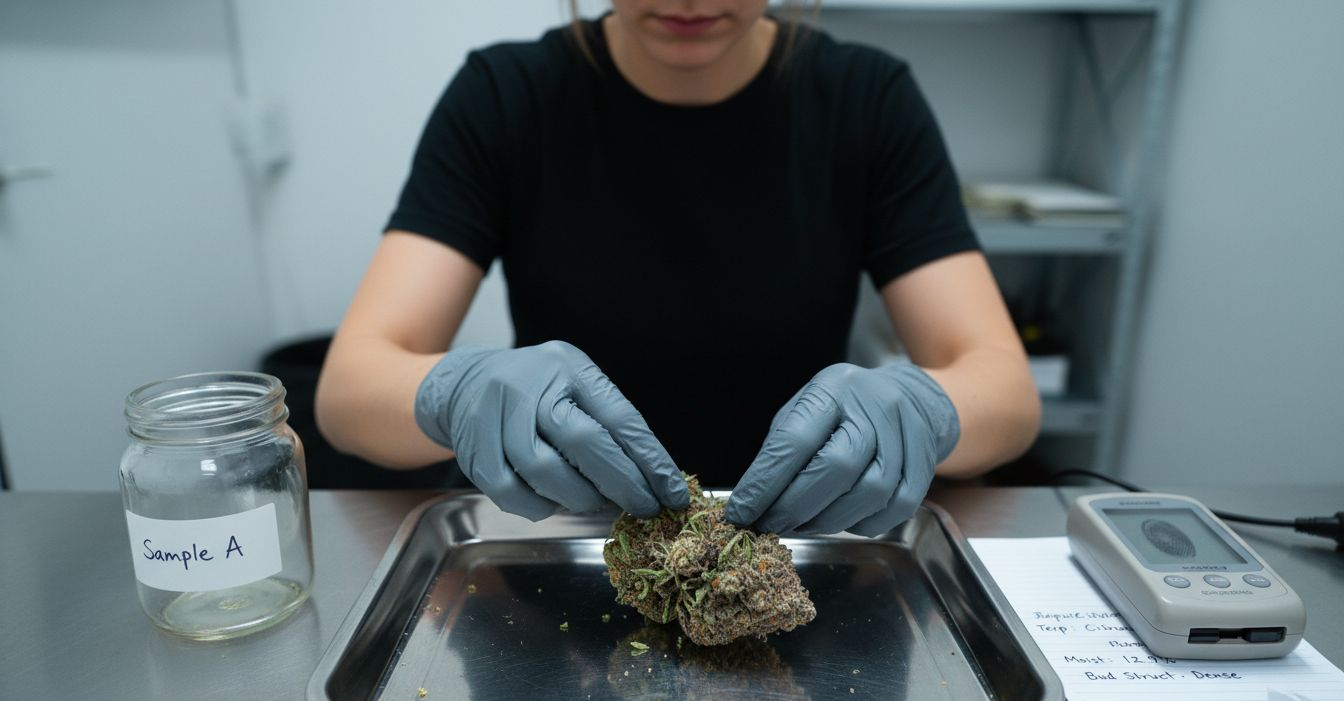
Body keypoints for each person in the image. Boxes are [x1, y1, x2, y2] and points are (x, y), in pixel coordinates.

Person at [314, 1, 1040, 537]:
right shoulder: (506, 94)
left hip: (804, 542)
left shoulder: (866, 99)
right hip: (556, 538)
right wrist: (455, 391)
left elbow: (1005, 390)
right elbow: (349, 392)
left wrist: (927, 408)